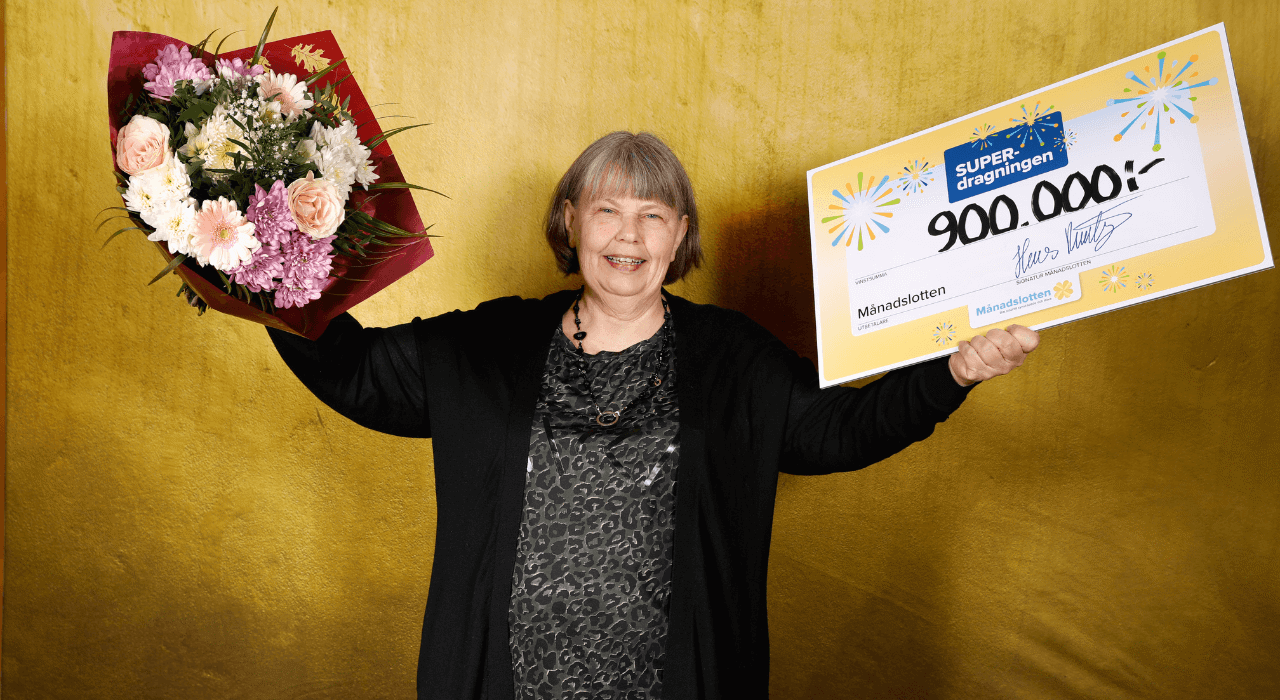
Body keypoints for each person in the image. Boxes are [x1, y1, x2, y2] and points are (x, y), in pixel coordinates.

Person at [268, 131, 1039, 700]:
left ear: (681, 234)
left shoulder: (733, 357)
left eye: (653, 214)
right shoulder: (489, 344)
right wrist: (259, 260)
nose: (628, 236)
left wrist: (954, 371)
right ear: (571, 222)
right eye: (607, 210)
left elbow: (842, 430)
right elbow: (355, 371)